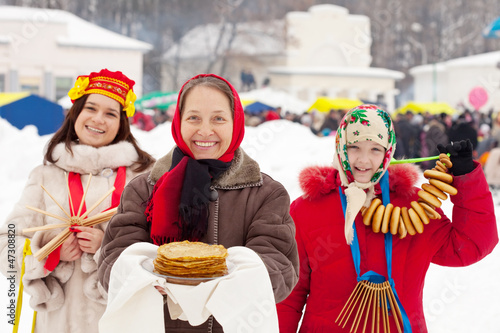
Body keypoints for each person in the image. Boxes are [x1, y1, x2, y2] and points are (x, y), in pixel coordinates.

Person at [98, 73, 299, 332]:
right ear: (178, 122)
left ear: (236, 123)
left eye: (218, 118)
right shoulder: (143, 189)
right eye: (193, 118)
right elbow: (111, 262)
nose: (205, 131)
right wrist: (142, 277)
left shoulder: (266, 194)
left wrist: (232, 281)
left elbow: (281, 268)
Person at [277, 104, 497, 332]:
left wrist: (466, 178)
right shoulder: (307, 209)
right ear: (340, 146)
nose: (363, 160)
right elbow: (288, 296)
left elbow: (471, 245)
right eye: (354, 147)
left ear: (388, 152)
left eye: (375, 149)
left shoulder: (413, 206)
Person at [0, 69, 155, 333]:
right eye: (91, 108)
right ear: (76, 114)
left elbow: (161, 251)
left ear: (122, 123)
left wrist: (107, 247)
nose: (98, 119)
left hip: (123, 323)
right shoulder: (45, 177)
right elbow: (7, 243)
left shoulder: (142, 179)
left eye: (110, 113)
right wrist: (48, 253)